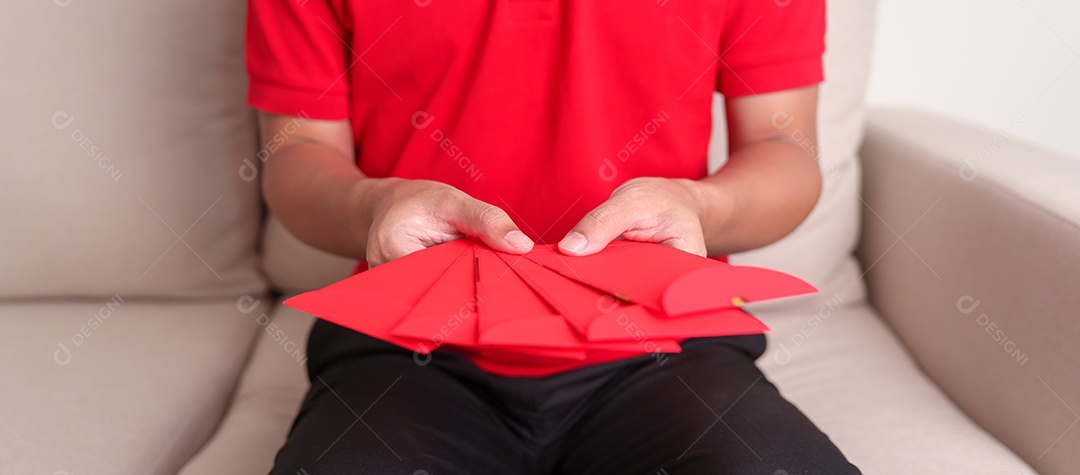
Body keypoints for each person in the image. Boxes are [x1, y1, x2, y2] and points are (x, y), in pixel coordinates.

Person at [247, 0, 860, 473]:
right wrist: (371, 205)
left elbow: (784, 149)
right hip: (406, 346)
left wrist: (700, 205)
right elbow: (297, 150)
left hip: (667, 343)